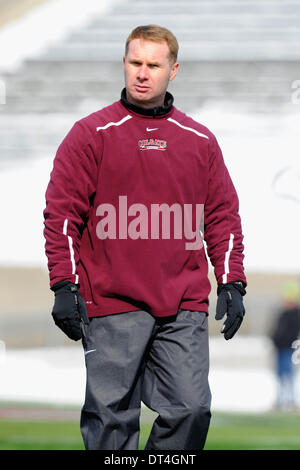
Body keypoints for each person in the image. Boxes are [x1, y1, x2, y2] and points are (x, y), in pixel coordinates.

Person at [43, 24, 247, 450]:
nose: (142, 72)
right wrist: (64, 285)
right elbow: (62, 215)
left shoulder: (200, 141)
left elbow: (223, 216)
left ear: (173, 70)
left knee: (191, 410)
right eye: (135, 62)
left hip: (183, 305)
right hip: (112, 301)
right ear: (124, 63)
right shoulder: (90, 134)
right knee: (110, 423)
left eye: (153, 65)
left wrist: (231, 281)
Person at [270, 281, 300, 411]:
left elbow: (291, 333)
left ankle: (291, 401)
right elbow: (277, 331)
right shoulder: (283, 314)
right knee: (280, 375)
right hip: (280, 349)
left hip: (290, 349)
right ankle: (280, 400)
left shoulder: (296, 315)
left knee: (289, 375)